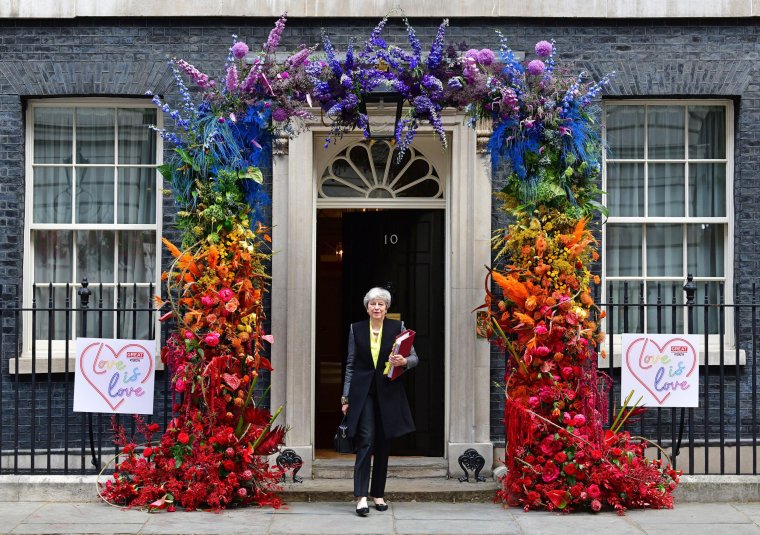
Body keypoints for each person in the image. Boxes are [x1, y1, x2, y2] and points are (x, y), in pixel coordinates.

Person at [341, 287, 418, 516]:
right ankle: (361, 496)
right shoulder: (356, 329)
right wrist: (345, 397)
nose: (377, 308)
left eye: (381, 304)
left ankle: (378, 494)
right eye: (373, 304)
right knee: (365, 440)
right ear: (367, 308)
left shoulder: (398, 328)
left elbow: (415, 358)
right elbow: (350, 365)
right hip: (362, 393)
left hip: (388, 391)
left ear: (386, 308)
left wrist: (403, 360)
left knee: (384, 444)